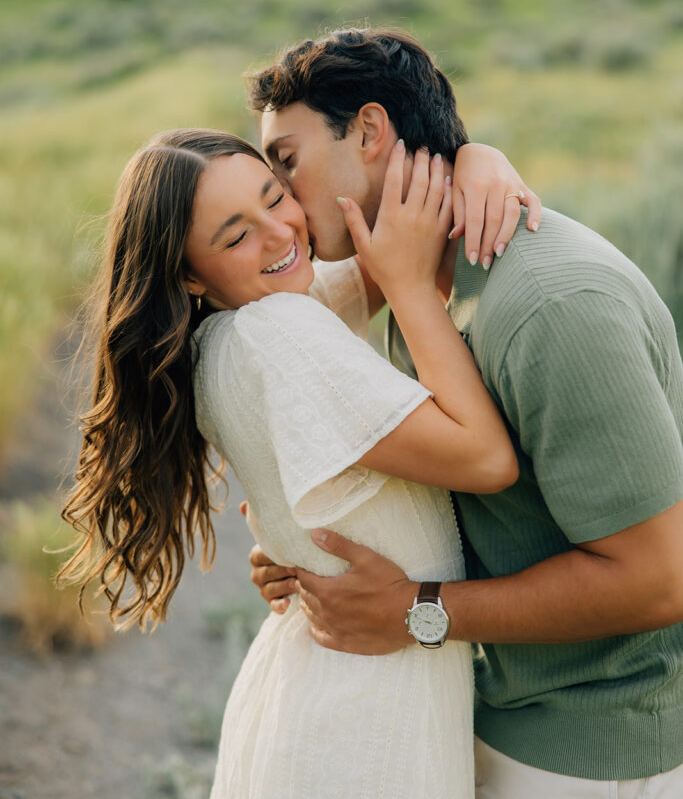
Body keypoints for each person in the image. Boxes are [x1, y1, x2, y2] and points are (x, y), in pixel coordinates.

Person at [247, 27, 683, 797]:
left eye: (286, 162)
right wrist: (307, 551)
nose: (280, 203)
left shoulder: (552, 306)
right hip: (502, 714)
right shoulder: (410, 276)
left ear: (372, 131)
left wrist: (412, 612)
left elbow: (658, 580)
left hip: (597, 750)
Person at [59, 126, 539, 797]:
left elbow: (379, 240)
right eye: (235, 236)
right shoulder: (282, 333)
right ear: (191, 274)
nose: (280, 233)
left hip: (321, 692)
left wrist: (474, 157)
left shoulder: (240, 328)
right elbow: (487, 460)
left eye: (274, 196)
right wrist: (407, 281)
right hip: (366, 722)